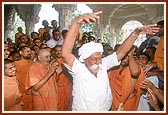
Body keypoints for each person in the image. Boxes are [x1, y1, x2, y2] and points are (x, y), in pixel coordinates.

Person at [61, 11, 159, 111]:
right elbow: (65, 54)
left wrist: (135, 33)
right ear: (84, 60)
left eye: (100, 57)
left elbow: (120, 53)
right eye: (94, 59)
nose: (99, 61)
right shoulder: (79, 70)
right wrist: (77, 23)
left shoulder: (103, 65)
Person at [14, 46, 34, 110]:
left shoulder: (33, 63)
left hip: (32, 91)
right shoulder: (15, 64)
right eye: (27, 51)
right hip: (21, 92)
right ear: (21, 52)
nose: (30, 53)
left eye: (30, 51)